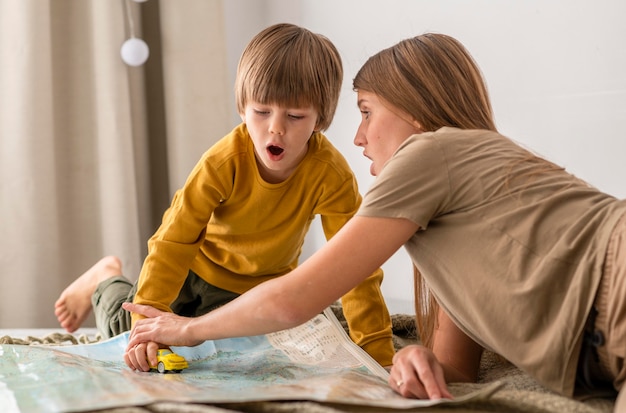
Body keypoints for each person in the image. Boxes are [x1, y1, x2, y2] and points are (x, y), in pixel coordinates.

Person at [123, 32, 626, 408]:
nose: (358, 137)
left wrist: (190, 331)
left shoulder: (429, 152)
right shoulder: (453, 219)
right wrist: (410, 360)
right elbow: (453, 372)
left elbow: (298, 297)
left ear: (417, 113)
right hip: (602, 348)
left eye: (365, 112)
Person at [54, 23, 395, 368]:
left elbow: (356, 266)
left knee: (267, 351)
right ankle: (105, 278)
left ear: (320, 119)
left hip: (258, 292)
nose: (275, 128)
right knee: (126, 334)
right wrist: (146, 323)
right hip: (192, 274)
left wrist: (379, 354)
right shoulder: (224, 162)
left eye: (294, 116)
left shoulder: (330, 175)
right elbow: (173, 241)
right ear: (242, 108)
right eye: (261, 112)